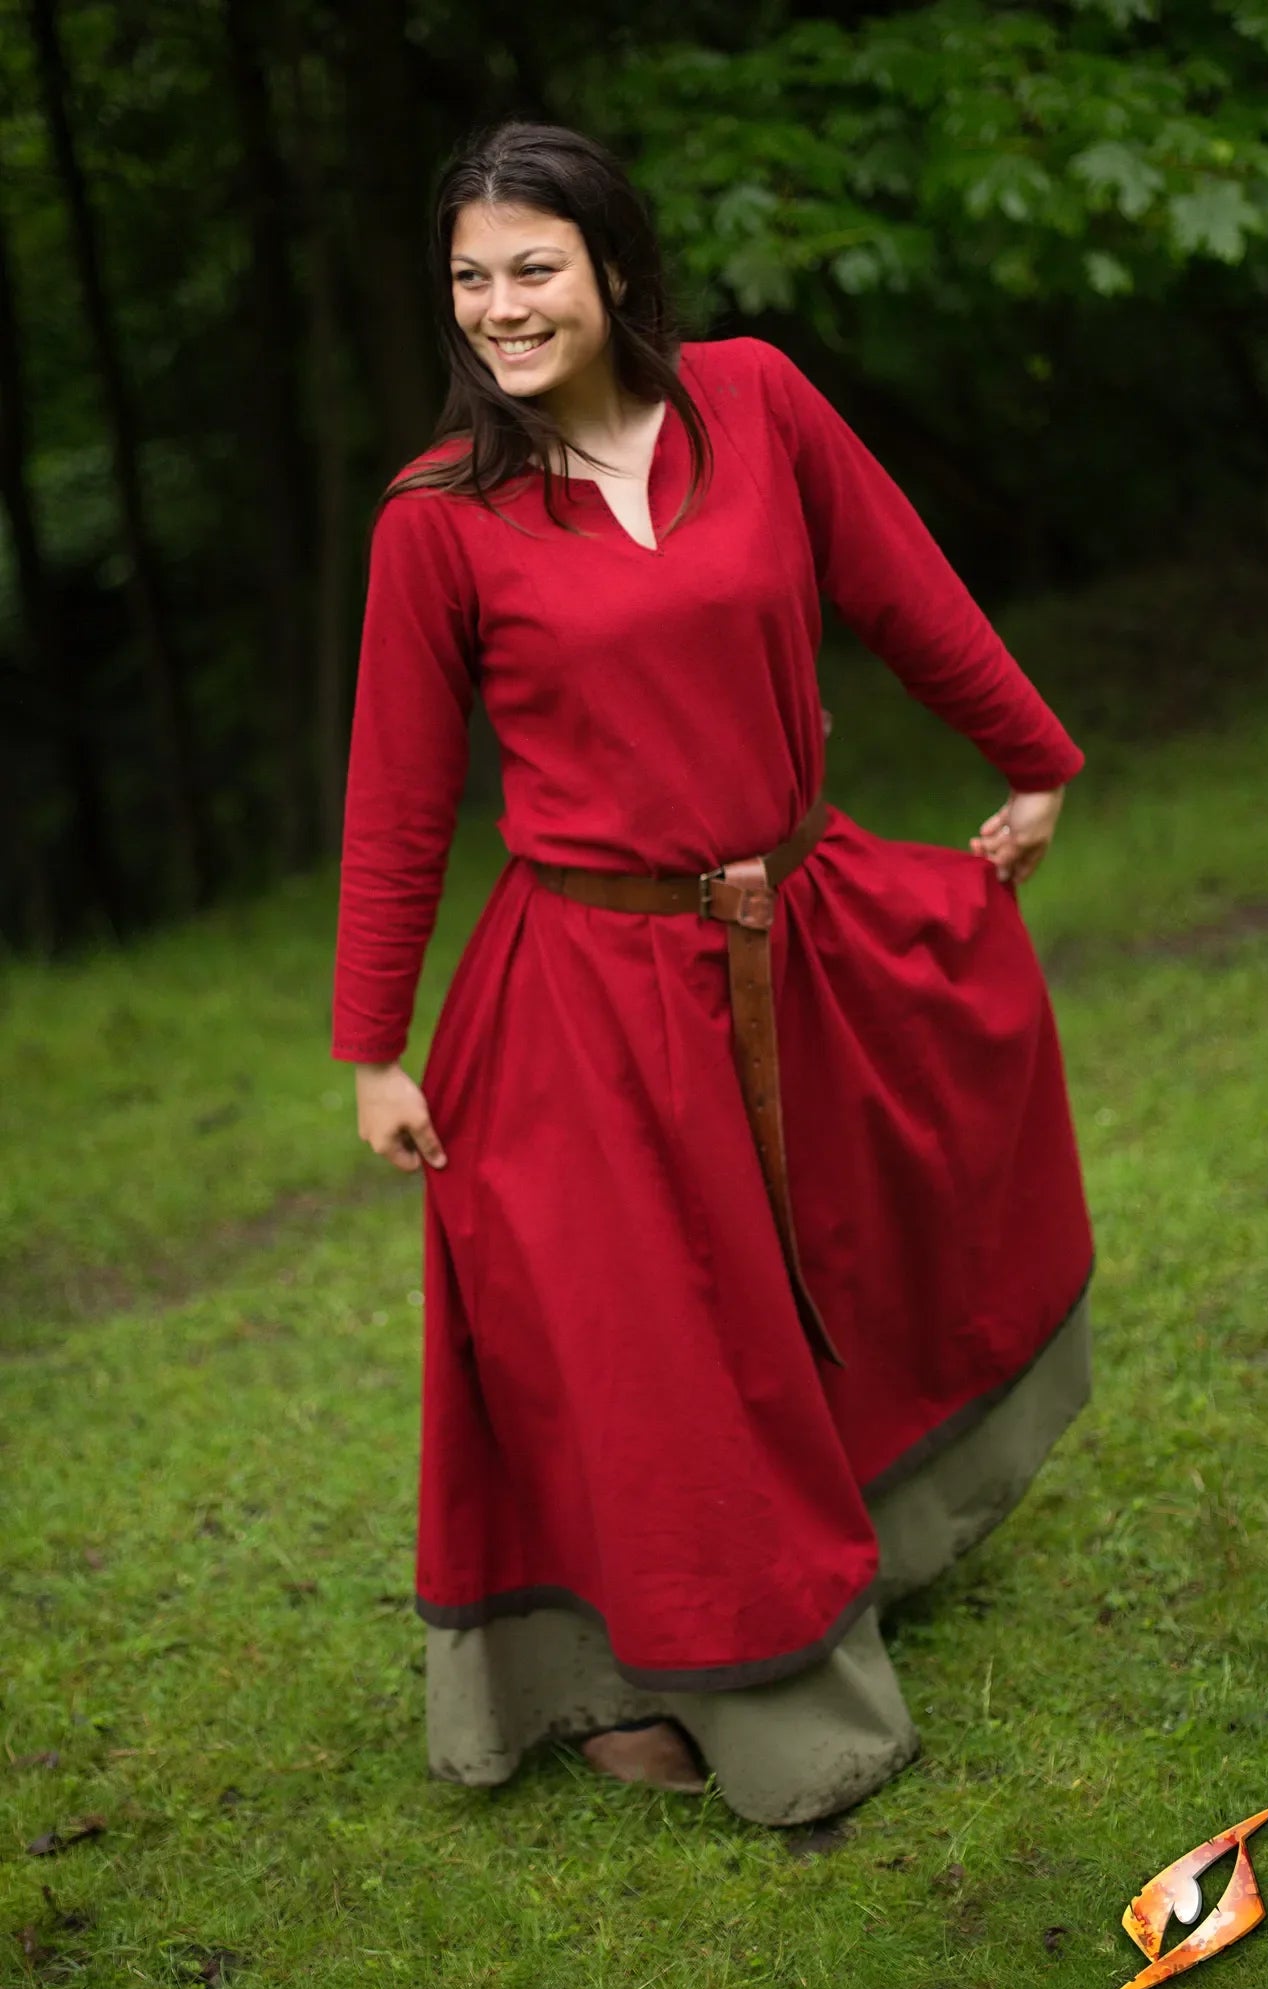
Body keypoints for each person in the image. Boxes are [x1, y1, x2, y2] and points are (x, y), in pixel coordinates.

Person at [330, 118, 1095, 1828]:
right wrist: (373, 1047)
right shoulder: (437, 520)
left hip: (797, 929)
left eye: (534, 267)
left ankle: (860, 1547)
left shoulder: (753, 399)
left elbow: (901, 586)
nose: (501, 306)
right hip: (586, 991)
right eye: (469, 277)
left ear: (613, 268)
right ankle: (659, 1678)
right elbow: (395, 803)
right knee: (656, 1357)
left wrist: (1030, 756)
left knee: (845, 1252)